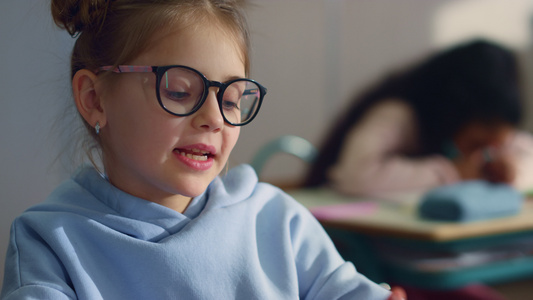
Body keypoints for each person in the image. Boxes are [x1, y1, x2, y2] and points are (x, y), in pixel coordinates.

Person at [0, 1, 406, 299]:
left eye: (231, 99)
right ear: (94, 98)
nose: (214, 117)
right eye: (179, 91)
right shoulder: (51, 242)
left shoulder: (275, 219)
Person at [305, 39, 533, 198]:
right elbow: (355, 175)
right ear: (453, 110)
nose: (480, 154)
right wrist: (450, 173)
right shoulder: (397, 112)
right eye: (477, 144)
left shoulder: (487, 125)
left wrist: (513, 169)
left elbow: (522, 148)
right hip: (350, 239)